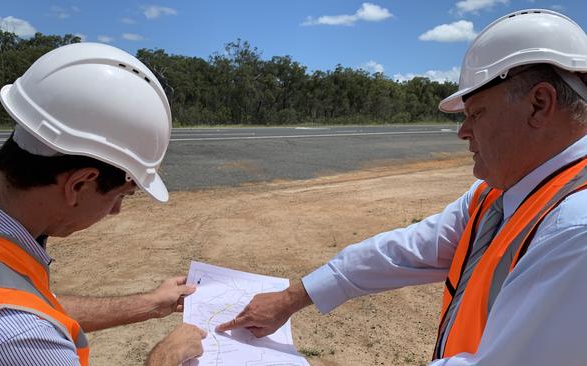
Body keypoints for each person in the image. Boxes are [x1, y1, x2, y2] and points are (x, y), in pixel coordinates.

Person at [218, 9, 587, 365]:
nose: (463, 131)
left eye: (476, 113)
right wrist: (293, 297)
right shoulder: (500, 195)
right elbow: (406, 250)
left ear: (539, 104)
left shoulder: (575, 226)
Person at [0, 43, 206, 365]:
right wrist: (164, 357)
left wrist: (150, 303)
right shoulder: (20, 342)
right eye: (120, 196)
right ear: (79, 184)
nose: (116, 210)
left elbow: (30, 303)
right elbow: (18, 317)